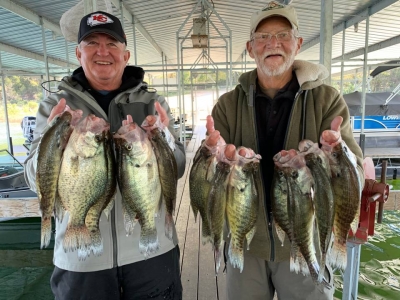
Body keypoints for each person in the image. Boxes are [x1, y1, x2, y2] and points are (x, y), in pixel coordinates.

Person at [205, 2, 364, 300]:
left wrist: (336, 153)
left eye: (282, 34)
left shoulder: (327, 100)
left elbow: (354, 171)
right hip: (246, 246)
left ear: (298, 43)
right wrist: (215, 158)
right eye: (262, 37)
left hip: (306, 240)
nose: (273, 43)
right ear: (251, 48)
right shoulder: (227, 105)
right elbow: (212, 179)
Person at [24, 11, 185, 300]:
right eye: (92, 43)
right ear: (78, 53)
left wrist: (164, 141)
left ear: (126, 54)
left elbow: (178, 167)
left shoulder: (153, 103)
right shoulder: (55, 107)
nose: (102, 51)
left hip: (152, 253)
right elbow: (33, 180)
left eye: (112, 43)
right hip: (80, 262)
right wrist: (53, 142)